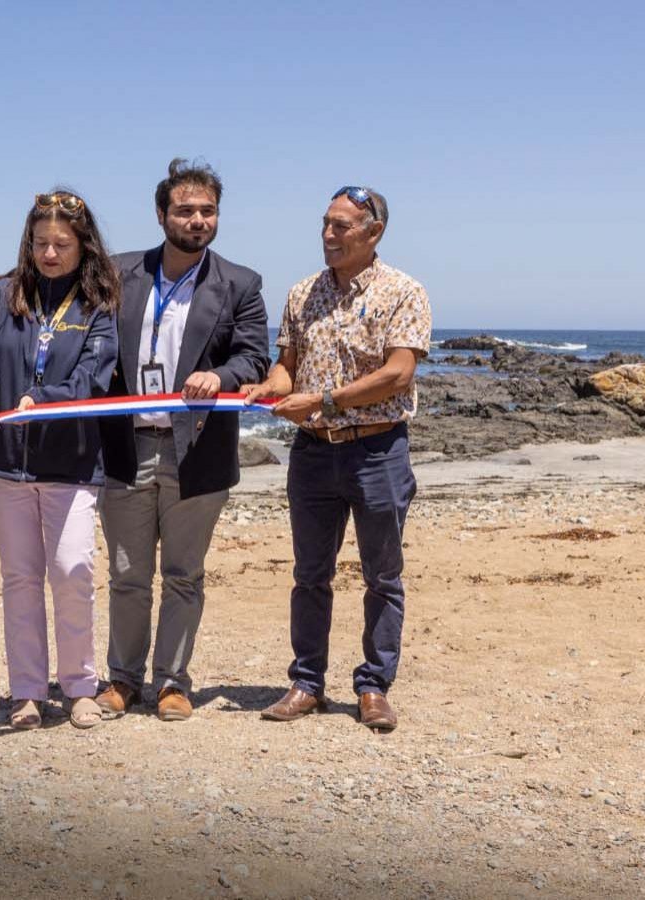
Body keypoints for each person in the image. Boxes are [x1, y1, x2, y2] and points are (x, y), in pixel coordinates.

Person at [243, 186, 431, 733]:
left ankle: (374, 687)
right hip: (312, 455)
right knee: (309, 576)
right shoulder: (303, 293)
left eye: (341, 226)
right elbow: (287, 368)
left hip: (379, 450)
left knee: (383, 577)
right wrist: (268, 389)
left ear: (374, 232)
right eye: (325, 223)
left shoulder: (404, 291)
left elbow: (399, 373)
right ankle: (306, 683)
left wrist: (324, 401)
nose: (328, 234)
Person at [95, 159, 269, 722]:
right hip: (127, 447)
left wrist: (222, 377)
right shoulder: (119, 273)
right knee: (127, 574)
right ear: (161, 214)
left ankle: (172, 682)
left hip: (196, 452)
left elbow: (254, 357)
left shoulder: (240, 283)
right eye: (186, 210)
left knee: (184, 575)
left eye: (207, 211)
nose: (197, 220)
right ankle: (122, 679)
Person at [0, 190, 120, 731]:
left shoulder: (97, 303)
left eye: (61, 244)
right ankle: (26, 691)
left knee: (73, 570)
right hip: (6, 462)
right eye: (40, 243)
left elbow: (92, 380)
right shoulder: (3, 293)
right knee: (20, 578)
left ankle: (80, 686)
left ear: (83, 246)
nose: (50, 254)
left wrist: (42, 401)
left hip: (71, 462)